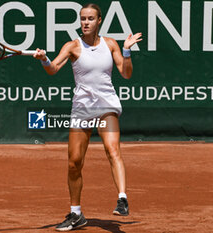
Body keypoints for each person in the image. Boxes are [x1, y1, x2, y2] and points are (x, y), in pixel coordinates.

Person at [34, 3, 142, 232]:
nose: (85, 23)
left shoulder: (110, 44)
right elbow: (53, 69)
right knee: (74, 163)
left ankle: (122, 198)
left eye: (90, 19)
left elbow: (126, 73)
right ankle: (76, 214)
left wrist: (127, 51)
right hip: (82, 108)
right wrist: (44, 59)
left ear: (99, 20)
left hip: (106, 105)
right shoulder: (72, 46)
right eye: (83, 18)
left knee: (112, 149)